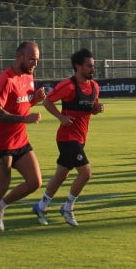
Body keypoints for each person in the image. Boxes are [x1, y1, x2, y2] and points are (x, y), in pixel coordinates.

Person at [0, 41, 46, 239]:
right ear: (19, 57)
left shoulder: (29, 76)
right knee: (2, 185)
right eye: (31, 59)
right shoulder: (6, 80)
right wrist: (24, 119)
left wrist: (35, 100)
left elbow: (21, 102)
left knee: (35, 181)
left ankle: (1, 206)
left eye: (37, 60)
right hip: (1, 144)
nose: (35, 63)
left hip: (20, 140)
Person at [33, 48, 104, 227]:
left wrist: (96, 109)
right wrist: (61, 117)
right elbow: (47, 101)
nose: (92, 69)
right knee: (86, 173)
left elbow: (90, 108)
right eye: (88, 66)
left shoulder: (95, 87)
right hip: (67, 138)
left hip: (80, 138)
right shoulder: (69, 85)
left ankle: (41, 206)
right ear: (78, 66)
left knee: (61, 175)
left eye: (93, 66)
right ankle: (67, 208)